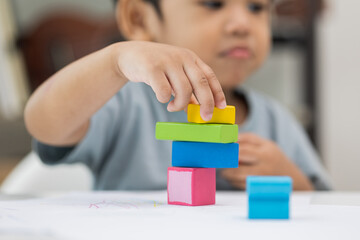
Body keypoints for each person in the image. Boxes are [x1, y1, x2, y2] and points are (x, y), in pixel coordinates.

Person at [24, 0, 331, 191]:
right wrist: (114, 63)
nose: (242, 25)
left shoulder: (276, 120)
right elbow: (43, 124)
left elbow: (325, 209)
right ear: (140, 19)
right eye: (213, 3)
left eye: (256, 7)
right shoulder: (123, 102)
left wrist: (292, 183)